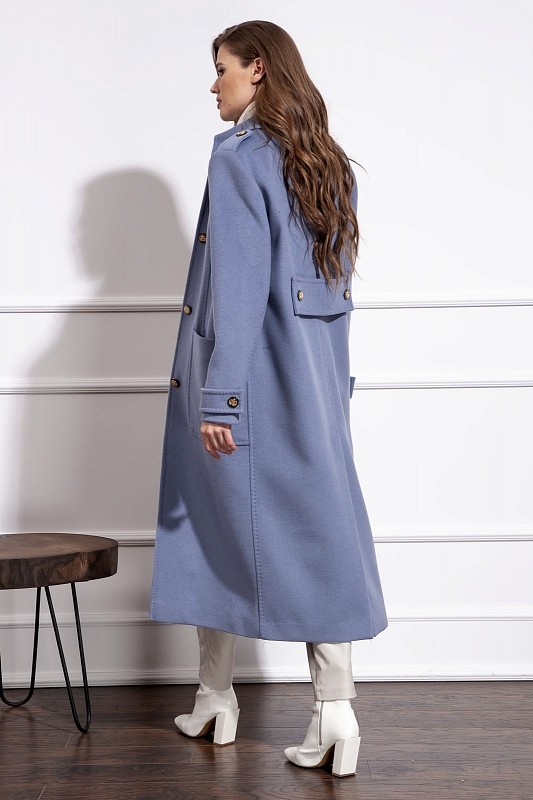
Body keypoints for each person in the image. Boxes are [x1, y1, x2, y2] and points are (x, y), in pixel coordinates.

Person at [149, 20, 388, 777]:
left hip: (245, 382)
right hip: (312, 386)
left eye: (221, 68)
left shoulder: (240, 156)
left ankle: (221, 696)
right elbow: (328, 297)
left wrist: (219, 398)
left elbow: (241, 285)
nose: (212, 84)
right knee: (319, 533)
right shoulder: (326, 161)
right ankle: (326, 709)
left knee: (207, 526)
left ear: (256, 69)